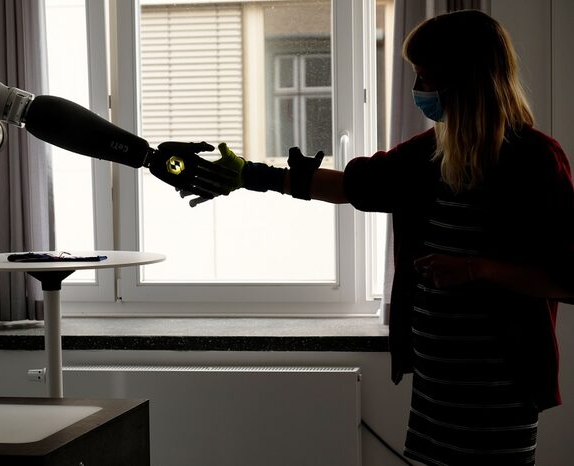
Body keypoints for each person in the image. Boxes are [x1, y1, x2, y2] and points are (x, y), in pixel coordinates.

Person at [183, 9, 574, 466]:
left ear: (466, 78)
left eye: (426, 76)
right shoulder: (430, 154)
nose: (418, 89)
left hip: (499, 390)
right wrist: (250, 175)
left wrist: (477, 269)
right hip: (436, 385)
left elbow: (568, 279)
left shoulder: (535, 162)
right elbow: (351, 186)